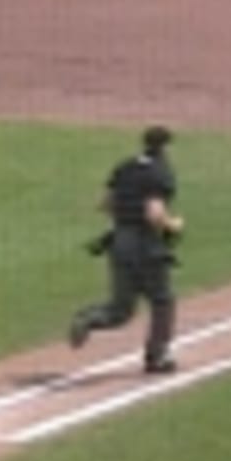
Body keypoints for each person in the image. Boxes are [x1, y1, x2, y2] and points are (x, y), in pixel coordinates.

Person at [66, 124, 184, 375]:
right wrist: (173, 225)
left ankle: (88, 319)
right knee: (162, 301)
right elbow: (154, 213)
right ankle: (157, 356)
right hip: (146, 245)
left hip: (120, 241)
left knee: (120, 309)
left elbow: (106, 204)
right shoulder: (160, 173)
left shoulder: (125, 167)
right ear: (164, 147)